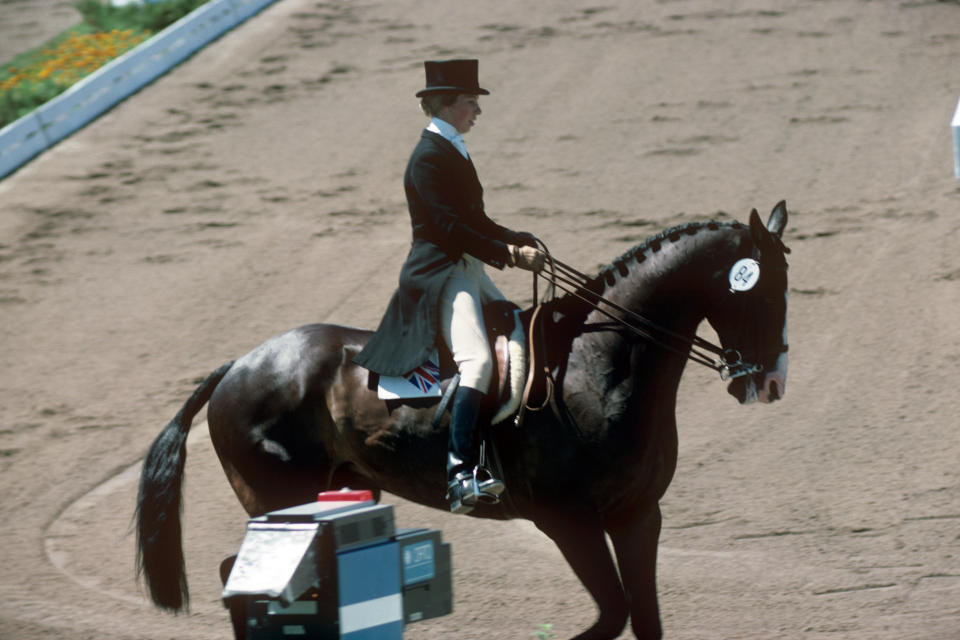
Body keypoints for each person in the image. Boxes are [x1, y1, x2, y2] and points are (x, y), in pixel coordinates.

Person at [354, 59, 545, 514]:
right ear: (445, 105)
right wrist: (510, 255)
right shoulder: (427, 158)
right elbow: (450, 228)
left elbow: (475, 220)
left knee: (521, 332)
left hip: (468, 267)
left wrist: (516, 238)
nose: (477, 110)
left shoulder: (453, 148)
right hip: (439, 274)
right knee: (477, 360)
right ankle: (461, 472)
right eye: (471, 102)